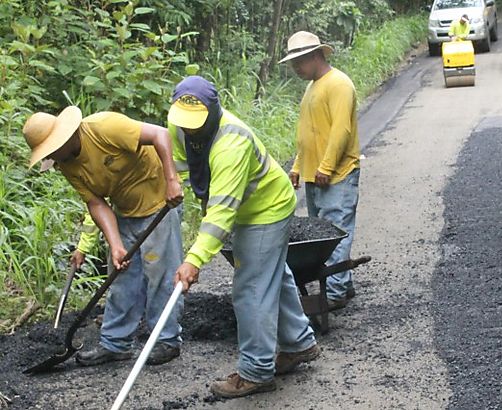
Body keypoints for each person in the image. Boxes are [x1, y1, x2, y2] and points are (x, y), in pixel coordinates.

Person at [169, 76, 319, 398]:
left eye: (197, 124)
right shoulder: (179, 123)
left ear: (213, 111)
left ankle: (256, 371)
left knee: (251, 287)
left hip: (266, 209)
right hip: (246, 208)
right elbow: (182, 166)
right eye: (185, 124)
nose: (190, 130)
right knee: (270, 278)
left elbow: (221, 213)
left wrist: (194, 259)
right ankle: (298, 343)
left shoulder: (231, 143)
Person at [22, 107, 185, 366]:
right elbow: (96, 203)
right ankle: (116, 344)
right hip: (124, 210)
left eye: (51, 150)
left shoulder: (104, 127)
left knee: (160, 275)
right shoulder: (65, 164)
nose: (51, 157)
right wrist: (116, 244)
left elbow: (160, 134)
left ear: (66, 137)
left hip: (159, 203)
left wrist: (172, 180)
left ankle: (166, 340)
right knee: (120, 277)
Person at [280, 31, 361, 310]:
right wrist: (297, 167)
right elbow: (308, 134)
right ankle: (343, 283)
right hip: (315, 176)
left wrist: (326, 166)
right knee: (324, 237)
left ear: (316, 56)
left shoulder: (338, 84)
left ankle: (336, 292)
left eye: (298, 62)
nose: (295, 68)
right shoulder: (312, 86)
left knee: (336, 232)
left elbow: (341, 130)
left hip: (336, 176)